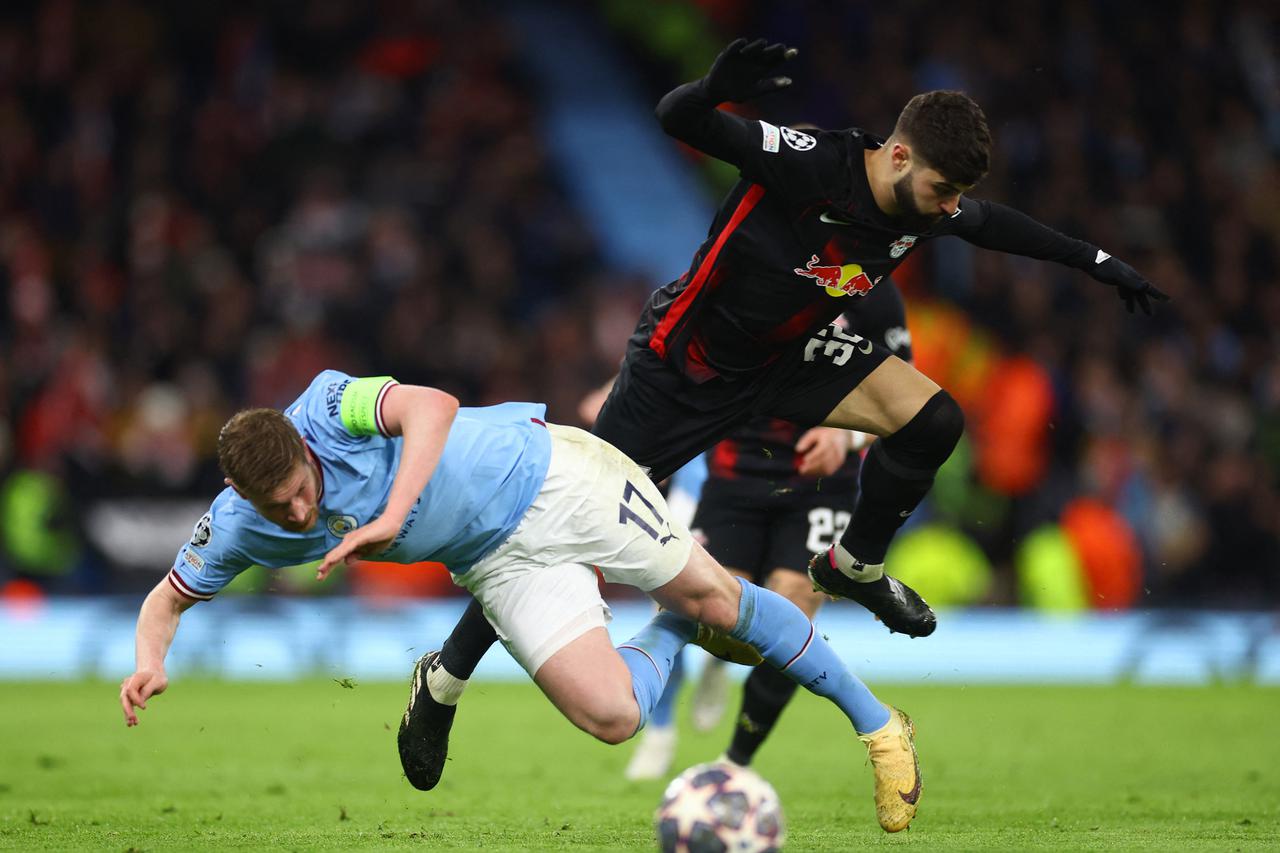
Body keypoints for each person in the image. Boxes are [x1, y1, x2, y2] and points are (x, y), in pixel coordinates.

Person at [407, 36, 1168, 790]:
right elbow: (681, 118)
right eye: (941, 190)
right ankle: (442, 680)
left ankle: (856, 564)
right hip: (682, 371)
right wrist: (711, 89)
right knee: (558, 533)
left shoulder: (928, 207)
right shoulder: (811, 161)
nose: (949, 209)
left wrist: (1099, 263)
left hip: (786, 364)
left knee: (935, 419)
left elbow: (1000, 226)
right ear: (899, 157)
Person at [117, 370, 923, 833]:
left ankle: (878, 725)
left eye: (300, 492)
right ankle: (669, 620)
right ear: (238, 494)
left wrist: (393, 516)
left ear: (300, 448)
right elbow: (165, 598)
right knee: (613, 717)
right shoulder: (235, 526)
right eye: (277, 508)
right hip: (498, 562)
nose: (297, 514)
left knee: (719, 598)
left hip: (554, 478)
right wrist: (148, 662)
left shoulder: (328, 409)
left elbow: (430, 405)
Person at [627, 279, 915, 780]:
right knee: (694, 604)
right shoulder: (746, 272)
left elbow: (906, 397)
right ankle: (669, 715)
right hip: (734, 476)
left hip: (820, 485)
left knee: (792, 602)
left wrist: (845, 435)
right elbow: (675, 363)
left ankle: (735, 762)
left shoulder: (873, 292)